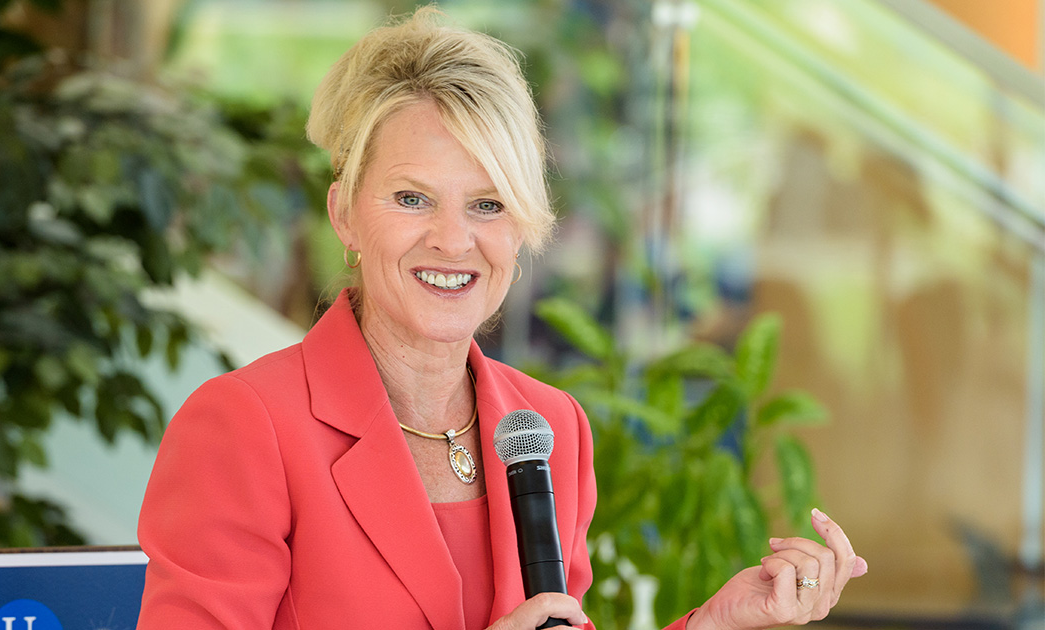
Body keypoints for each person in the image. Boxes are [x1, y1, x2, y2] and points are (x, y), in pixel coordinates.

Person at [135, 7, 867, 630]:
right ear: (344, 215)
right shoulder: (245, 426)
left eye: (487, 204)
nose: (455, 240)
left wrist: (714, 621)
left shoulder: (550, 427)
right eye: (412, 198)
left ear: (521, 229)